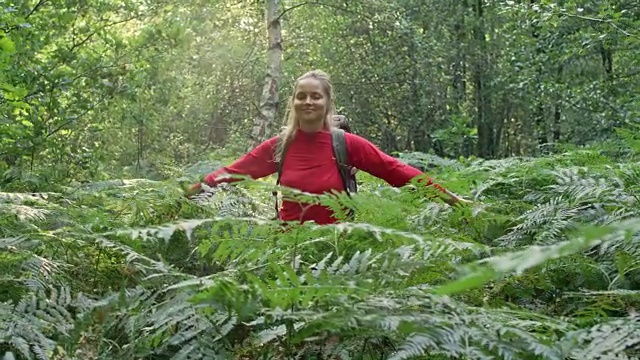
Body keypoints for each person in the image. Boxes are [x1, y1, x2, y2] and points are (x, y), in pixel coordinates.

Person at [186, 70, 469, 225]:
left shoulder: (345, 143)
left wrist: (450, 199)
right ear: (293, 102)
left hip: (336, 250)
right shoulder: (279, 146)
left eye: (315, 96)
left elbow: (396, 170)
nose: (308, 102)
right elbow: (232, 173)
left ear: (326, 102)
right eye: (301, 96)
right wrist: (183, 196)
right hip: (289, 250)